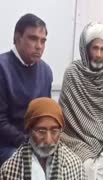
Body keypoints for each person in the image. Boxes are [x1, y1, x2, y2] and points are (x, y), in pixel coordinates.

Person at [59, 22, 103, 180]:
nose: (99, 54)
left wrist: (102, 131)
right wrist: (92, 131)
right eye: (95, 48)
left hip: (101, 138)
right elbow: (67, 113)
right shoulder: (72, 73)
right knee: (85, 166)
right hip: (73, 136)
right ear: (86, 49)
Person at [0, 97, 91, 180]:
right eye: (41, 131)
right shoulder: (9, 170)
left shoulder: (74, 166)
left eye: (54, 131)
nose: (48, 140)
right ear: (29, 130)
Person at [0, 13, 53, 165]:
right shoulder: (2, 68)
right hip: (6, 144)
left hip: (35, 142)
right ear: (17, 38)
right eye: (33, 38)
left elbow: (45, 115)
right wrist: (28, 144)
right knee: (29, 165)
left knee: (65, 162)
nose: (39, 46)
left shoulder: (46, 71)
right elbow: (1, 121)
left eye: (43, 41)